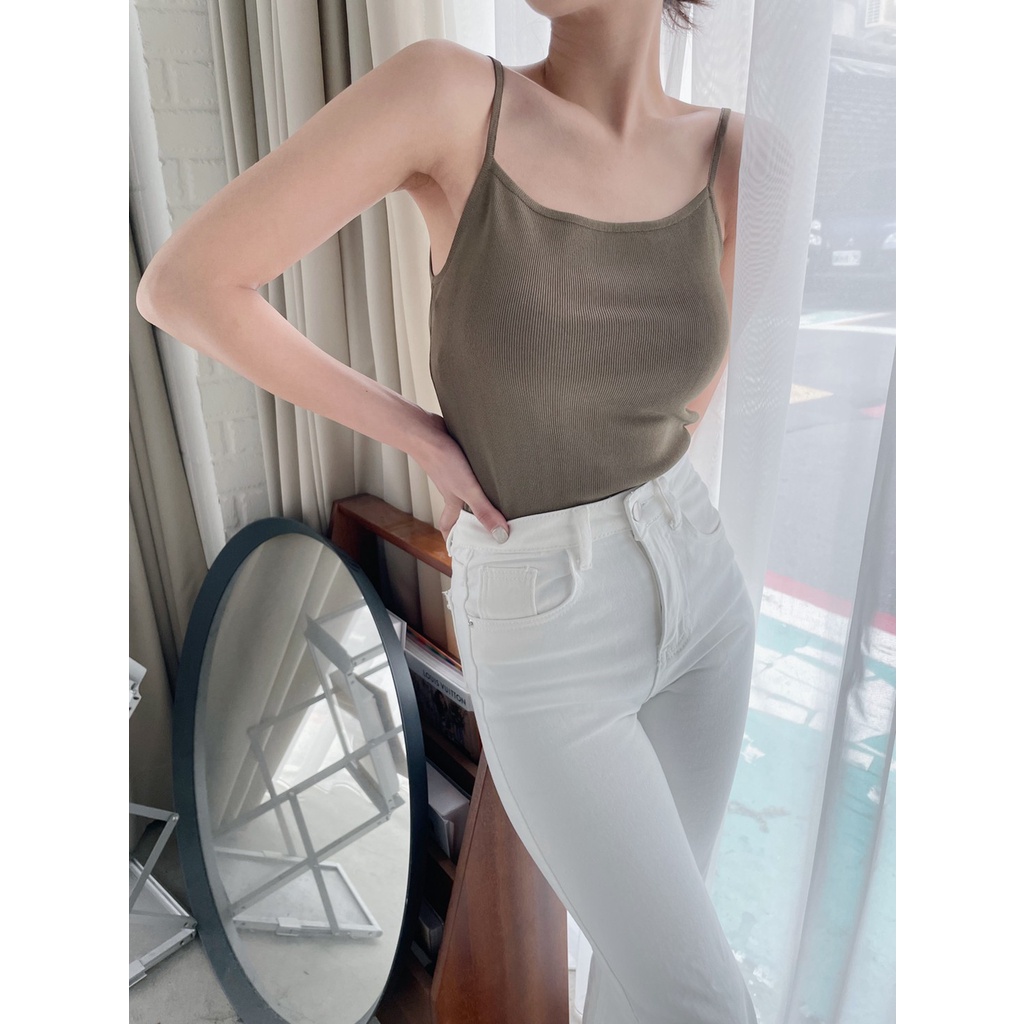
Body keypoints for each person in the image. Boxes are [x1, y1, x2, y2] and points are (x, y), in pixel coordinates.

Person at [137, 2, 757, 1021]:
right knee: (707, 1006)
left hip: (701, 590)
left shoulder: (736, 152)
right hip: (547, 621)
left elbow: (697, 389)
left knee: (642, 986)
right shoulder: (453, 96)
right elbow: (186, 284)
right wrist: (421, 434)